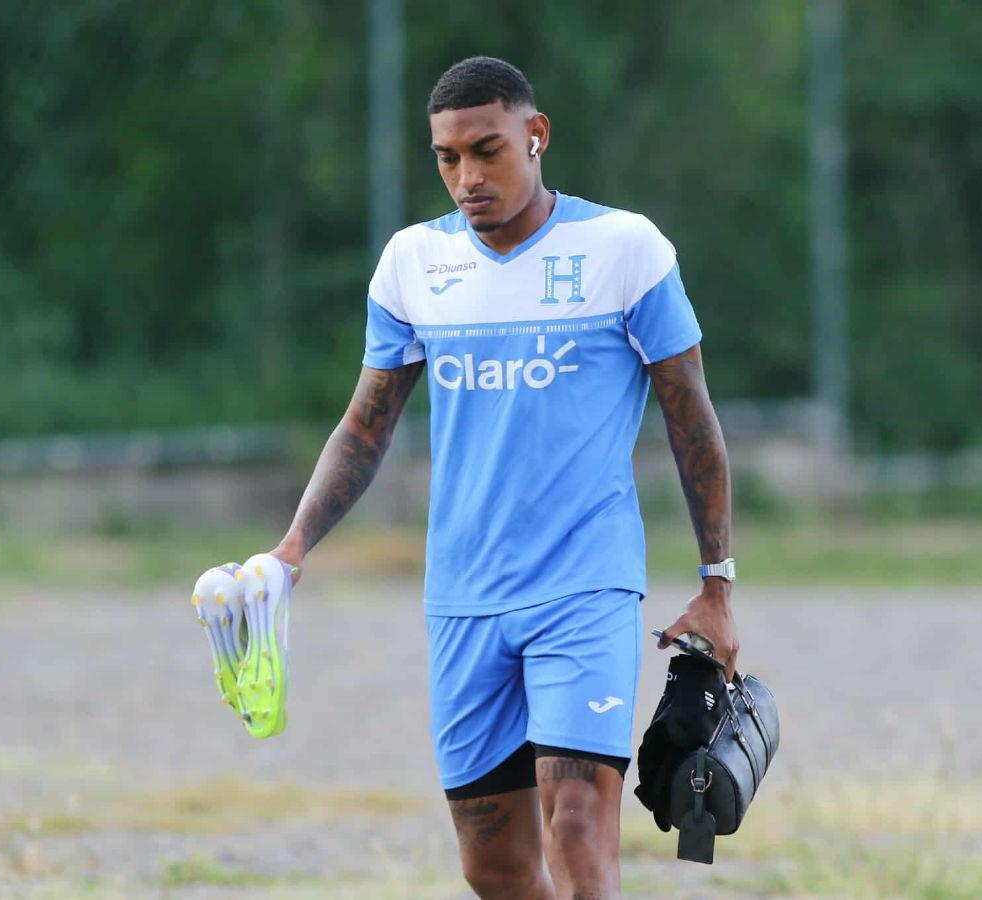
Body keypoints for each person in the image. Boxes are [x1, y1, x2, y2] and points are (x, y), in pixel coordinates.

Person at [267, 56, 739, 899]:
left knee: (577, 827)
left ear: (536, 134)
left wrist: (717, 583)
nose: (466, 177)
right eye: (447, 158)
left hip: (584, 586)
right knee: (494, 868)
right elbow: (365, 425)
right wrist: (293, 546)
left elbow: (691, 418)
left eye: (486, 151)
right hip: (463, 596)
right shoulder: (413, 263)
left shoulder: (624, 250)